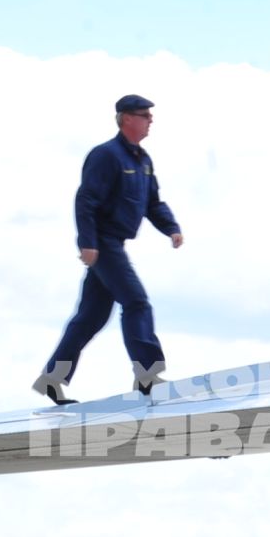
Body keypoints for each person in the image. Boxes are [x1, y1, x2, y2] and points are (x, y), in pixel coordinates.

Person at [33, 94, 185, 405]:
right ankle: (148, 374)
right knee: (137, 303)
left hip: (114, 244)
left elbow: (153, 203)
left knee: (90, 318)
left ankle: (52, 379)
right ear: (126, 118)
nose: (150, 120)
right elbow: (86, 200)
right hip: (103, 243)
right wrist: (87, 242)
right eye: (145, 115)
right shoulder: (106, 156)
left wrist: (171, 228)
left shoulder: (142, 160)